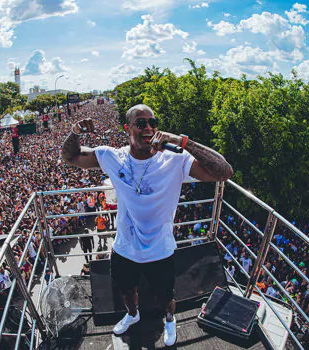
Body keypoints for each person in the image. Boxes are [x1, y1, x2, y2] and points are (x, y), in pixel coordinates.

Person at [61, 104, 233, 346]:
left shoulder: (175, 159)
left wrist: (184, 142)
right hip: (124, 248)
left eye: (154, 123)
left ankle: (170, 320)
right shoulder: (112, 156)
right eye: (141, 123)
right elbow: (70, 157)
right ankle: (133, 315)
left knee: (166, 297)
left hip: (160, 249)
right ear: (127, 129)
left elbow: (224, 172)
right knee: (127, 291)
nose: (149, 128)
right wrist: (75, 132)